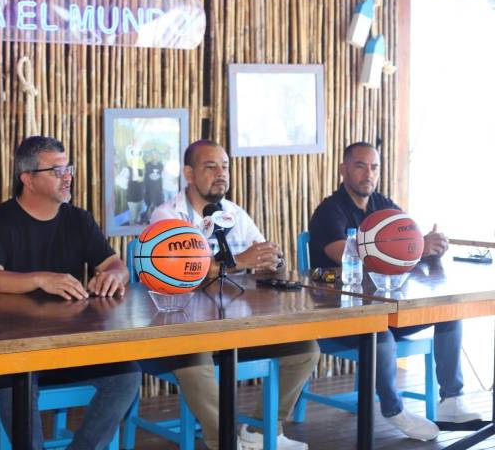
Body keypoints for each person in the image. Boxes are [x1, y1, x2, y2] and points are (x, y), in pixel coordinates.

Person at [0, 136, 141, 450]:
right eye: (57, 171)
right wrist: (40, 279)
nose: (68, 177)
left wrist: (114, 275)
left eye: (68, 169)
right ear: (28, 179)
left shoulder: (79, 220)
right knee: (15, 382)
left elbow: (115, 264)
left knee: (126, 376)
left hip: (69, 347)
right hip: (13, 349)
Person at [150, 139, 319, 450]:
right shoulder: (168, 217)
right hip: (186, 330)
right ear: (189, 173)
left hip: (238, 326)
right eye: (210, 166)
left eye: (225, 166)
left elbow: (263, 256)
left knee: (305, 349)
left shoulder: (234, 213)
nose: (221, 173)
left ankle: (260, 431)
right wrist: (239, 261)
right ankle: (224, 442)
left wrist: (272, 260)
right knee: (193, 360)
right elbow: (180, 272)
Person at [308, 141, 482, 441]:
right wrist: (412, 249)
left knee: (448, 313)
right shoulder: (329, 210)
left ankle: (451, 401)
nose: (368, 173)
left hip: (386, 309)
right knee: (379, 331)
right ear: (343, 169)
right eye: (360, 165)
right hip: (340, 318)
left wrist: (427, 244)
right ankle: (393, 410)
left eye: (374, 167)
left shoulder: (383, 205)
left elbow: (409, 242)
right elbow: (343, 254)